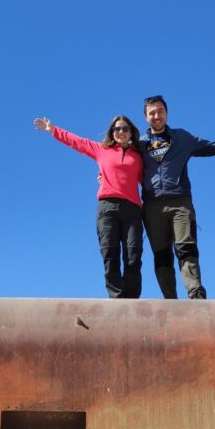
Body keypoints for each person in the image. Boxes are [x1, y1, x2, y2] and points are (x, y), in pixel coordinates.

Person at [140, 95, 215, 300]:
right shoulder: (139, 144)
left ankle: (195, 294)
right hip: (152, 206)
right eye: (152, 112)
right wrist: (104, 175)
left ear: (167, 113)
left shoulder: (182, 138)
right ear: (146, 117)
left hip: (180, 202)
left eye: (160, 111)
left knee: (186, 248)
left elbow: (212, 147)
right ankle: (170, 301)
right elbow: (119, 161)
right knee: (161, 255)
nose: (157, 115)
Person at [34, 115, 144, 298]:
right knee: (110, 253)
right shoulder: (102, 149)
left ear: (131, 132)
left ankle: (132, 300)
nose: (121, 132)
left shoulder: (138, 156)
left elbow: (147, 181)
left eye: (125, 128)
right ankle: (117, 299)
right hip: (108, 208)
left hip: (132, 211)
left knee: (133, 255)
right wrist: (53, 129)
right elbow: (77, 142)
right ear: (112, 132)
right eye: (117, 129)